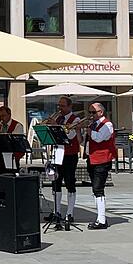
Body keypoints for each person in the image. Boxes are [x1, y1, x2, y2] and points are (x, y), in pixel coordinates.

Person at [45, 97, 84, 229]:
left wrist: (55, 124)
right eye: (59, 105)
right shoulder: (60, 119)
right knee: (56, 182)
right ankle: (57, 211)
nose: (59, 108)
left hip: (70, 155)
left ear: (69, 106)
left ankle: (70, 212)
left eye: (62, 106)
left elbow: (70, 136)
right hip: (57, 154)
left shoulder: (75, 120)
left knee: (69, 182)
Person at [86, 102, 115, 230]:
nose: (90, 115)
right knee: (95, 188)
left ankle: (102, 220)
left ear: (101, 112)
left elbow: (98, 138)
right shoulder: (94, 124)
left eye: (93, 112)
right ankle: (99, 217)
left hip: (102, 159)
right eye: (90, 112)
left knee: (98, 189)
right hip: (92, 159)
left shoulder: (107, 125)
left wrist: (89, 130)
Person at [0, 105, 25, 173]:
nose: (1, 118)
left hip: (12, 156)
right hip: (0, 156)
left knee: (11, 174)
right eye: (0, 116)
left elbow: (15, 142)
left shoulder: (17, 125)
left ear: (9, 115)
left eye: (3, 116)